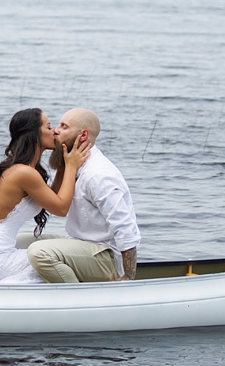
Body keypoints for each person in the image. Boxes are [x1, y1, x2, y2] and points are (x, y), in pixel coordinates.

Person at [0, 108, 90, 284]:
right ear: (35, 135)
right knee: (57, 262)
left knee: (56, 250)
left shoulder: (22, 169)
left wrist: (63, 164)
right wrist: (71, 166)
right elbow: (61, 208)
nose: (55, 132)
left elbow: (51, 199)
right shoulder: (24, 173)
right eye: (49, 127)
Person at [23, 108, 140, 282]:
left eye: (64, 127)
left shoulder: (98, 175)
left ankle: (76, 298)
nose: (56, 130)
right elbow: (54, 201)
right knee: (21, 241)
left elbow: (126, 228)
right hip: (81, 244)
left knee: (38, 252)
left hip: (105, 256)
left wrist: (128, 278)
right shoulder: (74, 163)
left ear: (83, 135)